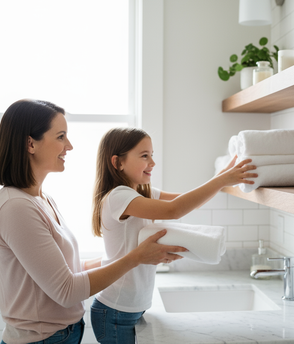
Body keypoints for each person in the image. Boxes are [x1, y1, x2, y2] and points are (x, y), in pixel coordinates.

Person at [0, 99, 187, 344]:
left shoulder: (42, 199)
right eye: (61, 136)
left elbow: (70, 269)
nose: (69, 146)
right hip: (41, 339)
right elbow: (67, 291)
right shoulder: (15, 208)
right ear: (30, 143)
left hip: (61, 335)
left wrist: (129, 252)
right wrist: (136, 257)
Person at [90, 127, 257, 344]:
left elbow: (186, 202)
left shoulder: (142, 191)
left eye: (152, 155)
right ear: (117, 162)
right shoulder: (118, 197)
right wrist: (221, 180)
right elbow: (174, 210)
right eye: (144, 156)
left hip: (129, 307)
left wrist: (221, 178)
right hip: (115, 310)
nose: (152, 162)